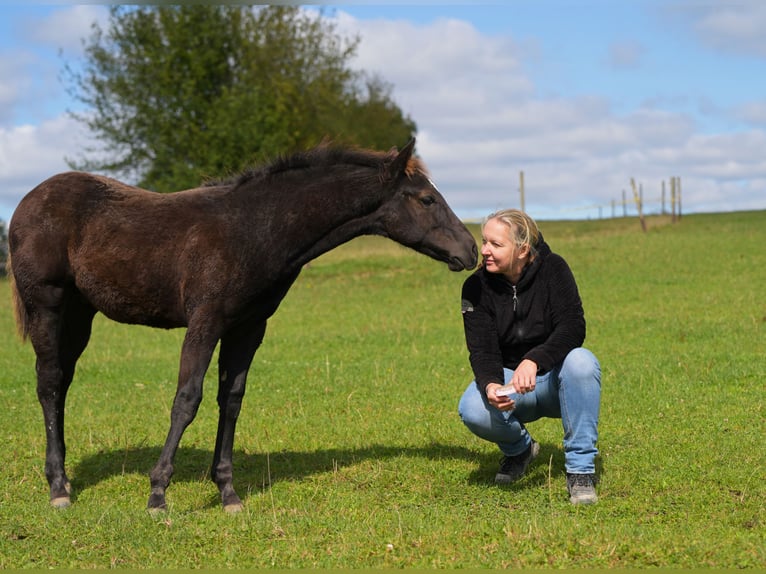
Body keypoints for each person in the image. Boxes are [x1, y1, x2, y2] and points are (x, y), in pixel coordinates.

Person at [457, 209, 601, 504]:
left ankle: (580, 472)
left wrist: (535, 360)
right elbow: (481, 350)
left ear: (522, 250)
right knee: (471, 407)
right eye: (485, 241)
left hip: (554, 381)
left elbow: (573, 327)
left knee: (582, 363)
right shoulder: (475, 287)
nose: (485, 251)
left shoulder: (554, 269)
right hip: (512, 387)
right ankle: (520, 450)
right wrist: (491, 386)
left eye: (496, 245)